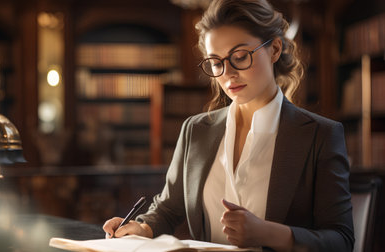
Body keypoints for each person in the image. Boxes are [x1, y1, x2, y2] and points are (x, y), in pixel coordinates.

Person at [103, 0, 354, 251]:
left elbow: (341, 240)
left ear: (275, 49)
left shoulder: (320, 135)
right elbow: (169, 208)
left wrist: (268, 234)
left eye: (240, 57)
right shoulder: (196, 130)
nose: (227, 74)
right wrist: (142, 228)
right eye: (215, 61)